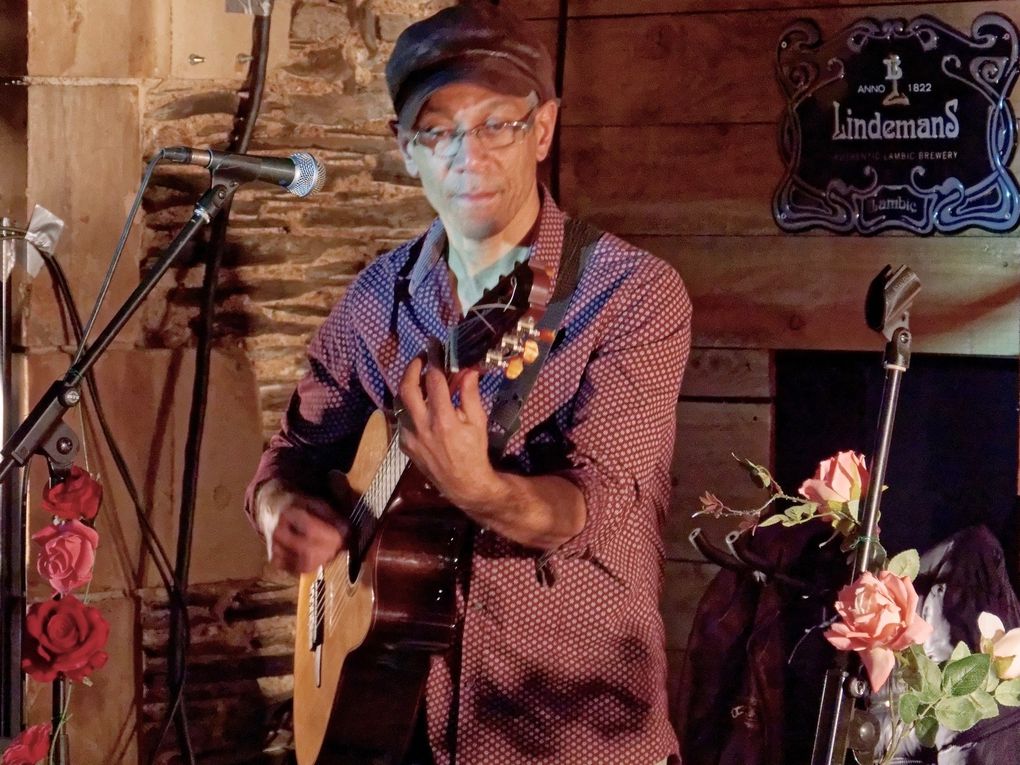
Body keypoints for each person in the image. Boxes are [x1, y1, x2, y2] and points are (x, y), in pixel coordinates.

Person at [245, 2, 692, 763]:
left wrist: (478, 487)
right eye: (439, 131)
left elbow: (597, 510)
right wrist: (279, 508)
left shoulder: (631, 294)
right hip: (396, 724)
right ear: (405, 148)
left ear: (543, 129)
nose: (468, 155)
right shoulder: (376, 298)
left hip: (570, 735)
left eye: (497, 125)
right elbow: (289, 454)